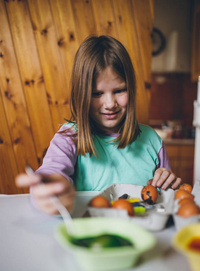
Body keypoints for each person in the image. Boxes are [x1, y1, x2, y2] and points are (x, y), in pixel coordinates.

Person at [15, 35, 181, 215]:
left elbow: (164, 200)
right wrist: (51, 188)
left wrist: (168, 183)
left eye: (119, 90)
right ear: (81, 95)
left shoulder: (152, 141)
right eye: (96, 93)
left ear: (131, 89)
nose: (110, 103)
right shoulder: (69, 137)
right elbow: (53, 171)